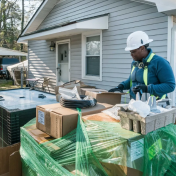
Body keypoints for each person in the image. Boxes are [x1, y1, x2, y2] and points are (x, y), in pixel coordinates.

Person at [108, 31, 175, 100]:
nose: (131, 54)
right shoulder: (135, 63)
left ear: (142, 48)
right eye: (130, 52)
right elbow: (132, 80)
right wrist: (121, 86)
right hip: (137, 105)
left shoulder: (159, 62)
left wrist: (146, 88)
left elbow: (170, 86)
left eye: (133, 51)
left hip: (155, 107)